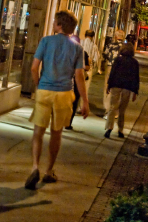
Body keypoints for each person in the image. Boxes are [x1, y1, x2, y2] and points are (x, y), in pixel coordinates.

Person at [25, 10, 89, 190]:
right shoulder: (77, 48)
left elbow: (33, 68)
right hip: (64, 94)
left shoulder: (46, 41)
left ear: (59, 25)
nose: (53, 24)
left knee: (38, 132)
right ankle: (49, 170)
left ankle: (35, 167)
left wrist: (39, 85)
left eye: (55, 22)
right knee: (56, 133)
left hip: (45, 90)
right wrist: (85, 101)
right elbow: (79, 76)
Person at [104, 42, 139, 139]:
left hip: (116, 85)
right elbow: (136, 77)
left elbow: (113, 73)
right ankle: (120, 130)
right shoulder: (134, 62)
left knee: (112, 107)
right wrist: (135, 91)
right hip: (127, 88)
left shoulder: (118, 60)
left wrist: (109, 85)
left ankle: (109, 128)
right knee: (122, 110)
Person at [65, 35, 90, 130]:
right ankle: (67, 122)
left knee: (73, 101)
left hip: (73, 80)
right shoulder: (80, 51)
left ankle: (67, 121)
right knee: (73, 101)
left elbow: (86, 67)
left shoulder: (82, 52)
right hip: (72, 80)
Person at [102, 29, 125, 115]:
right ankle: (115, 111)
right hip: (121, 69)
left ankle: (107, 108)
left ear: (115, 36)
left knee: (107, 87)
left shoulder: (110, 45)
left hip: (110, 66)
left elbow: (105, 55)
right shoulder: (125, 47)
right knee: (118, 88)